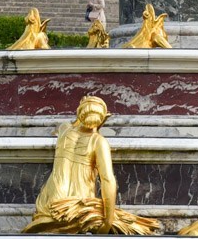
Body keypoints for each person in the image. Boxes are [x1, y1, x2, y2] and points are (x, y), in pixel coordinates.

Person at [21, 96, 158, 234]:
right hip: (79, 208)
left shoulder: (64, 130)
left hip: (51, 204)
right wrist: (107, 222)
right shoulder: (99, 142)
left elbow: (69, 126)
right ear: (102, 118)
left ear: (79, 113)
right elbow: (107, 180)